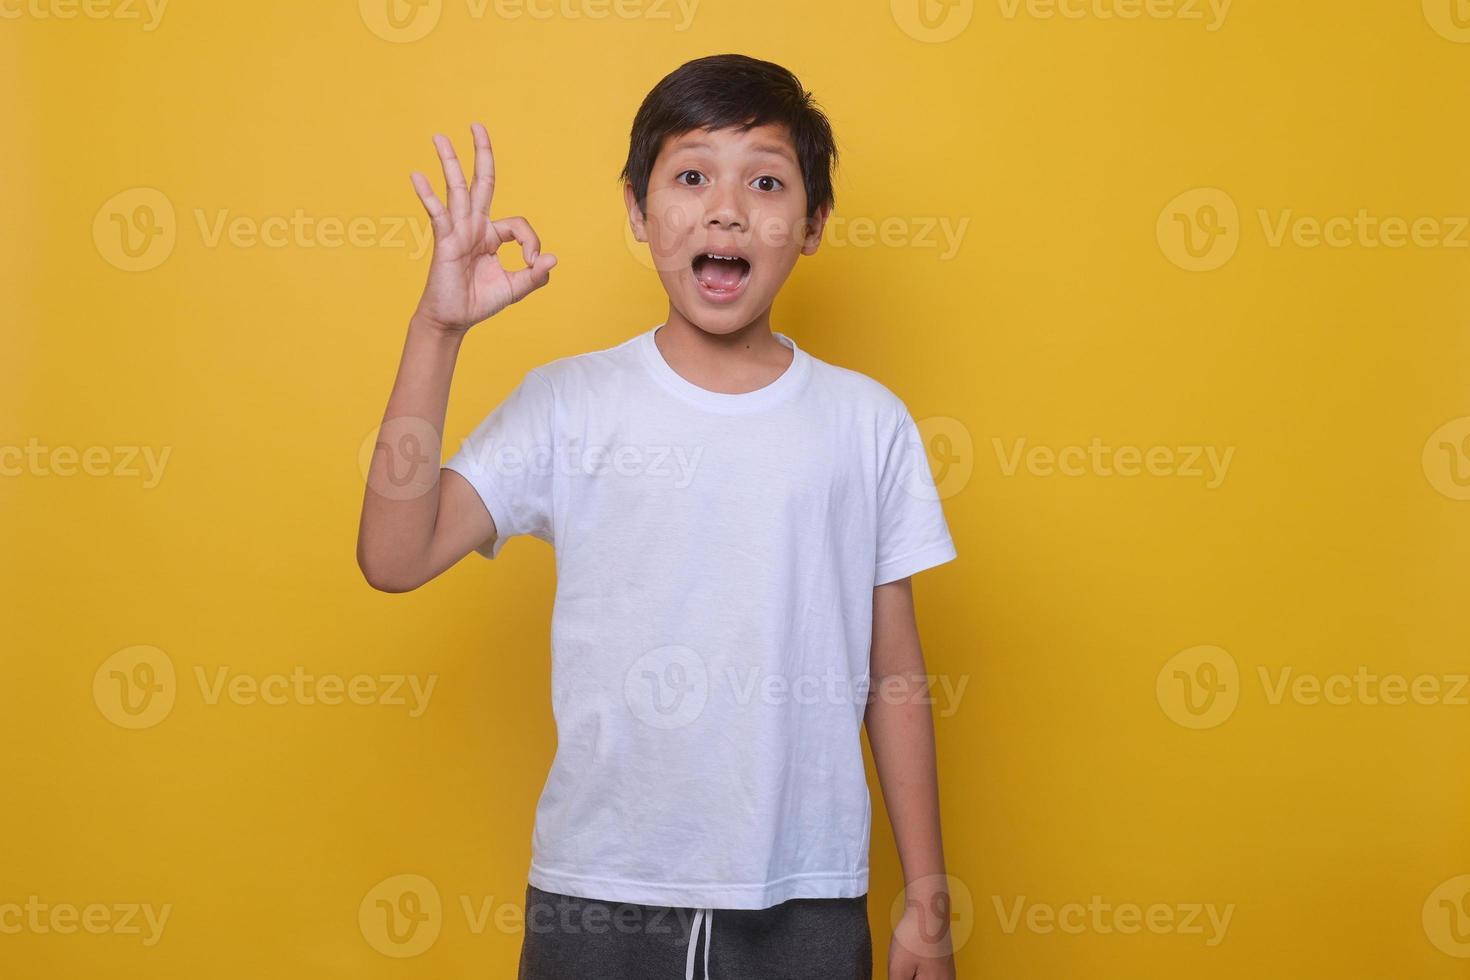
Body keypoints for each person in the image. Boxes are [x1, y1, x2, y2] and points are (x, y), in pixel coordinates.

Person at [356, 52, 959, 980]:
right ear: (639, 212)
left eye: (765, 181)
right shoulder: (569, 403)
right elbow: (394, 557)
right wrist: (438, 330)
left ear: (812, 225)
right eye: (690, 177)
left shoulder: (865, 421)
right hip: (599, 894)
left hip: (803, 893)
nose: (726, 209)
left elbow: (896, 672)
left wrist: (926, 894)